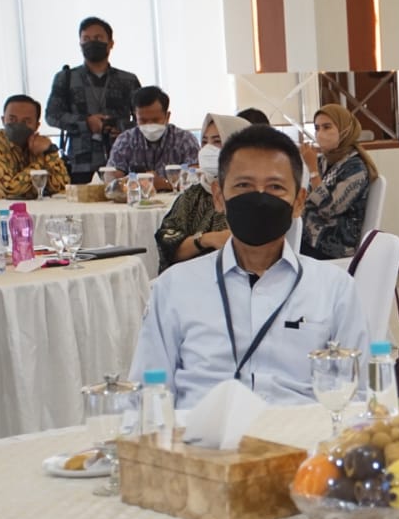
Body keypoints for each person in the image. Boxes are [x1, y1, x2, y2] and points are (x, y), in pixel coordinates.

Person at [132, 125, 370, 409]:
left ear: (298, 203)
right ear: (219, 197)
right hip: (202, 442)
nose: (259, 198)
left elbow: (358, 396)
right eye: (243, 186)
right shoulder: (174, 287)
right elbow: (147, 395)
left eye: (275, 188)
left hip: (303, 441)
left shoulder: (334, 288)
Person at [46, 16, 142, 185]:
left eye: (98, 38)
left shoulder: (128, 80)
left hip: (121, 161)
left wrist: (120, 128)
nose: (92, 43)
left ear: (111, 43)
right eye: (86, 39)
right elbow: (52, 115)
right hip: (80, 161)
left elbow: (144, 118)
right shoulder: (66, 78)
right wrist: (86, 122)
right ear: (80, 43)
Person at [153, 112, 250, 272]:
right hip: (193, 283)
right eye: (204, 142)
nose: (208, 149)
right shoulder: (193, 195)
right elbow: (168, 245)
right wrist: (206, 239)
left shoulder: (255, 195)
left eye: (217, 141)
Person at [297, 104, 375, 259]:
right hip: (309, 237)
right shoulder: (323, 161)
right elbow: (306, 198)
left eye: (327, 127)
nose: (320, 133)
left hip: (333, 245)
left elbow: (328, 209)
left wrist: (312, 170)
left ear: (344, 129)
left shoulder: (355, 167)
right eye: (317, 128)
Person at [0, 94, 70, 201]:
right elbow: (10, 190)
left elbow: (63, 188)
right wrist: (39, 162)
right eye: (12, 120)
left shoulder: (42, 144)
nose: (18, 125)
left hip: (34, 211)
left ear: (36, 126)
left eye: (26, 122)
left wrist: (50, 151)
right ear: (3, 120)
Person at [107, 86, 200, 186]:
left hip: (176, 200)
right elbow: (111, 175)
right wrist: (116, 182)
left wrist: (163, 184)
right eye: (143, 120)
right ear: (135, 117)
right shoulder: (125, 140)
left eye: (155, 120)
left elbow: (196, 179)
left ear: (167, 116)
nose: (149, 125)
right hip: (135, 198)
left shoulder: (184, 140)